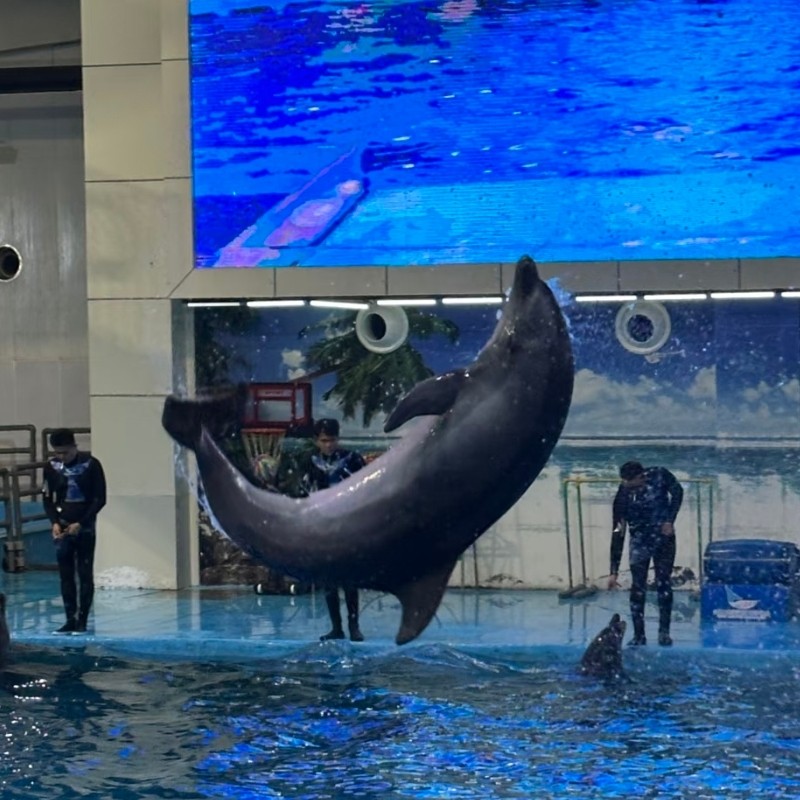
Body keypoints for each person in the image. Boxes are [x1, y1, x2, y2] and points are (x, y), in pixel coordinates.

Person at [298, 418, 367, 642]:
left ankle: (354, 625)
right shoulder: (310, 462)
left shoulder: (352, 459)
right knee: (328, 580)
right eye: (324, 440)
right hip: (323, 526)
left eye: (332, 440)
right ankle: (336, 627)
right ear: (316, 441)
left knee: (349, 578)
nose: (328, 445)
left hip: (347, 524)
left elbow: (365, 488)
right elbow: (304, 493)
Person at [607, 460, 683, 647]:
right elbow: (618, 532)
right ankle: (639, 635)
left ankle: (664, 633)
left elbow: (678, 492)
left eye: (632, 483)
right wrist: (613, 570)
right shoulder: (623, 495)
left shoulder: (660, 474)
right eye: (625, 483)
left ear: (641, 476)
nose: (628, 486)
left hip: (663, 539)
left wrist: (670, 520)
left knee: (663, 583)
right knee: (638, 588)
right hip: (639, 542)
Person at [43, 429, 107, 634]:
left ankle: (82, 619)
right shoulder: (51, 467)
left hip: (84, 526)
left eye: (66, 452)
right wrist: (54, 522)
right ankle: (70, 618)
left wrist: (82, 522)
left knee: (85, 573)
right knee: (66, 575)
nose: (62, 457)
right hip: (62, 525)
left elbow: (100, 499)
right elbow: (47, 498)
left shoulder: (91, 465)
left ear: (74, 447)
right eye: (58, 452)